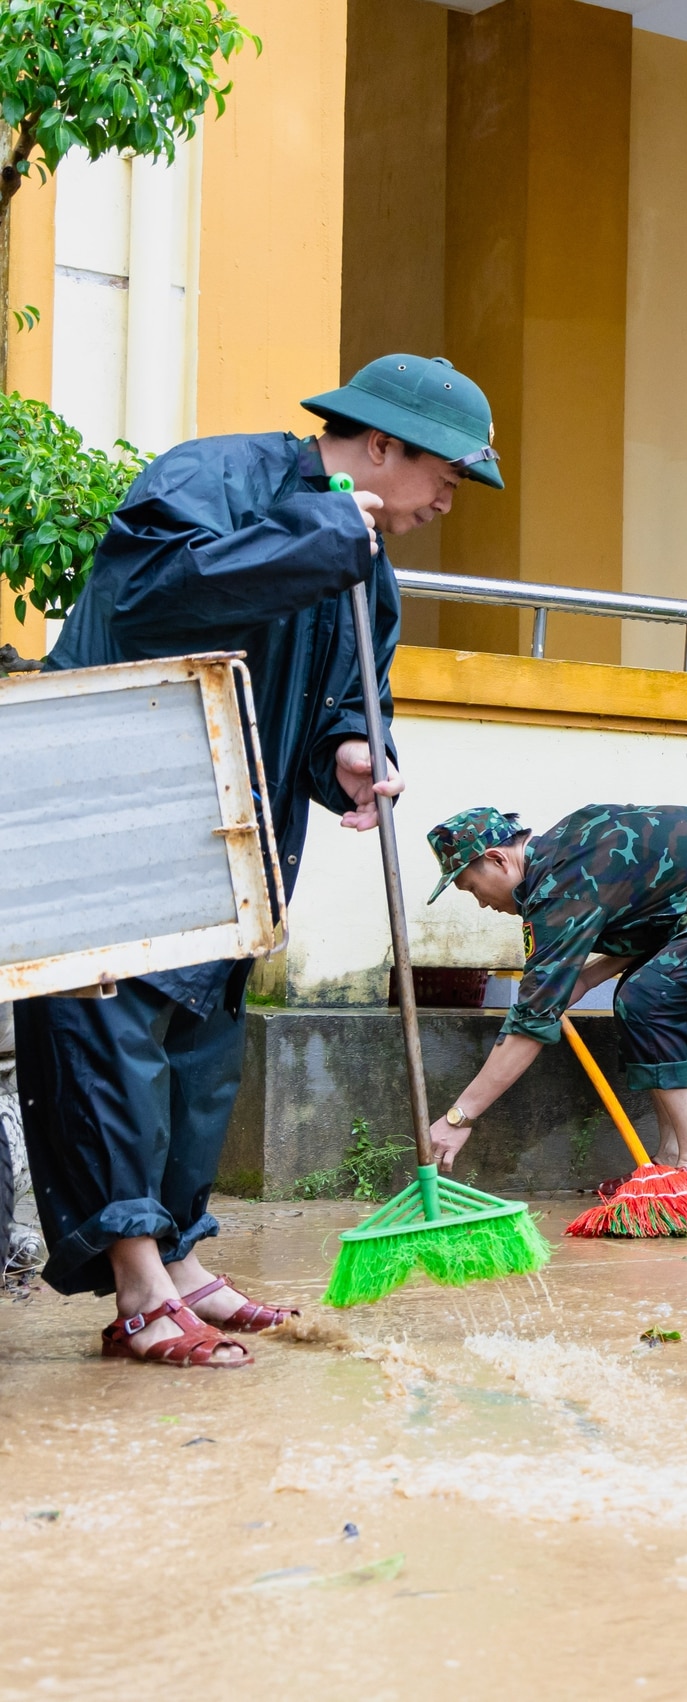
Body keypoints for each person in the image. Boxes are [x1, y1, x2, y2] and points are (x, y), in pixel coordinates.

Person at [14, 353, 497, 1368]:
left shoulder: (369, 573)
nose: (449, 500)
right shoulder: (213, 478)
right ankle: (138, 1291)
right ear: (379, 444)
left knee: (197, 1058)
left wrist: (354, 756)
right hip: (112, 811)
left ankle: (181, 1258)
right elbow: (151, 598)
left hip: (227, 841)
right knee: (108, 1046)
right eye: (445, 476)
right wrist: (324, 533)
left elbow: (342, 709)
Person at [420, 804, 687, 1178]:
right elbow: (652, 920)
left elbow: (531, 1023)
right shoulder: (569, 851)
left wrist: (460, 1117)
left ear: (497, 859)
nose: (481, 904)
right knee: (641, 997)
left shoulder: (560, 886)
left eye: (472, 888)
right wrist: (585, 980)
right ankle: (670, 1160)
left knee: (650, 1000)